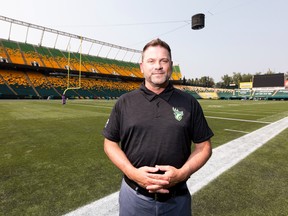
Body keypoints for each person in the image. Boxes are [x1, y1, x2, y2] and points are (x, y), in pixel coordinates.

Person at [102, 38, 214, 216]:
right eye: (151, 61)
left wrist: (182, 173)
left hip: (177, 200)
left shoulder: (189, 103)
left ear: (170, 65)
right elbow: (110, 143)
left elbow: (204, 147)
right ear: (141, 67)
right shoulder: (124, 102)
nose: (158, 66)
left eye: (163, 60)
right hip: (134, 198)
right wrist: (133, 173)